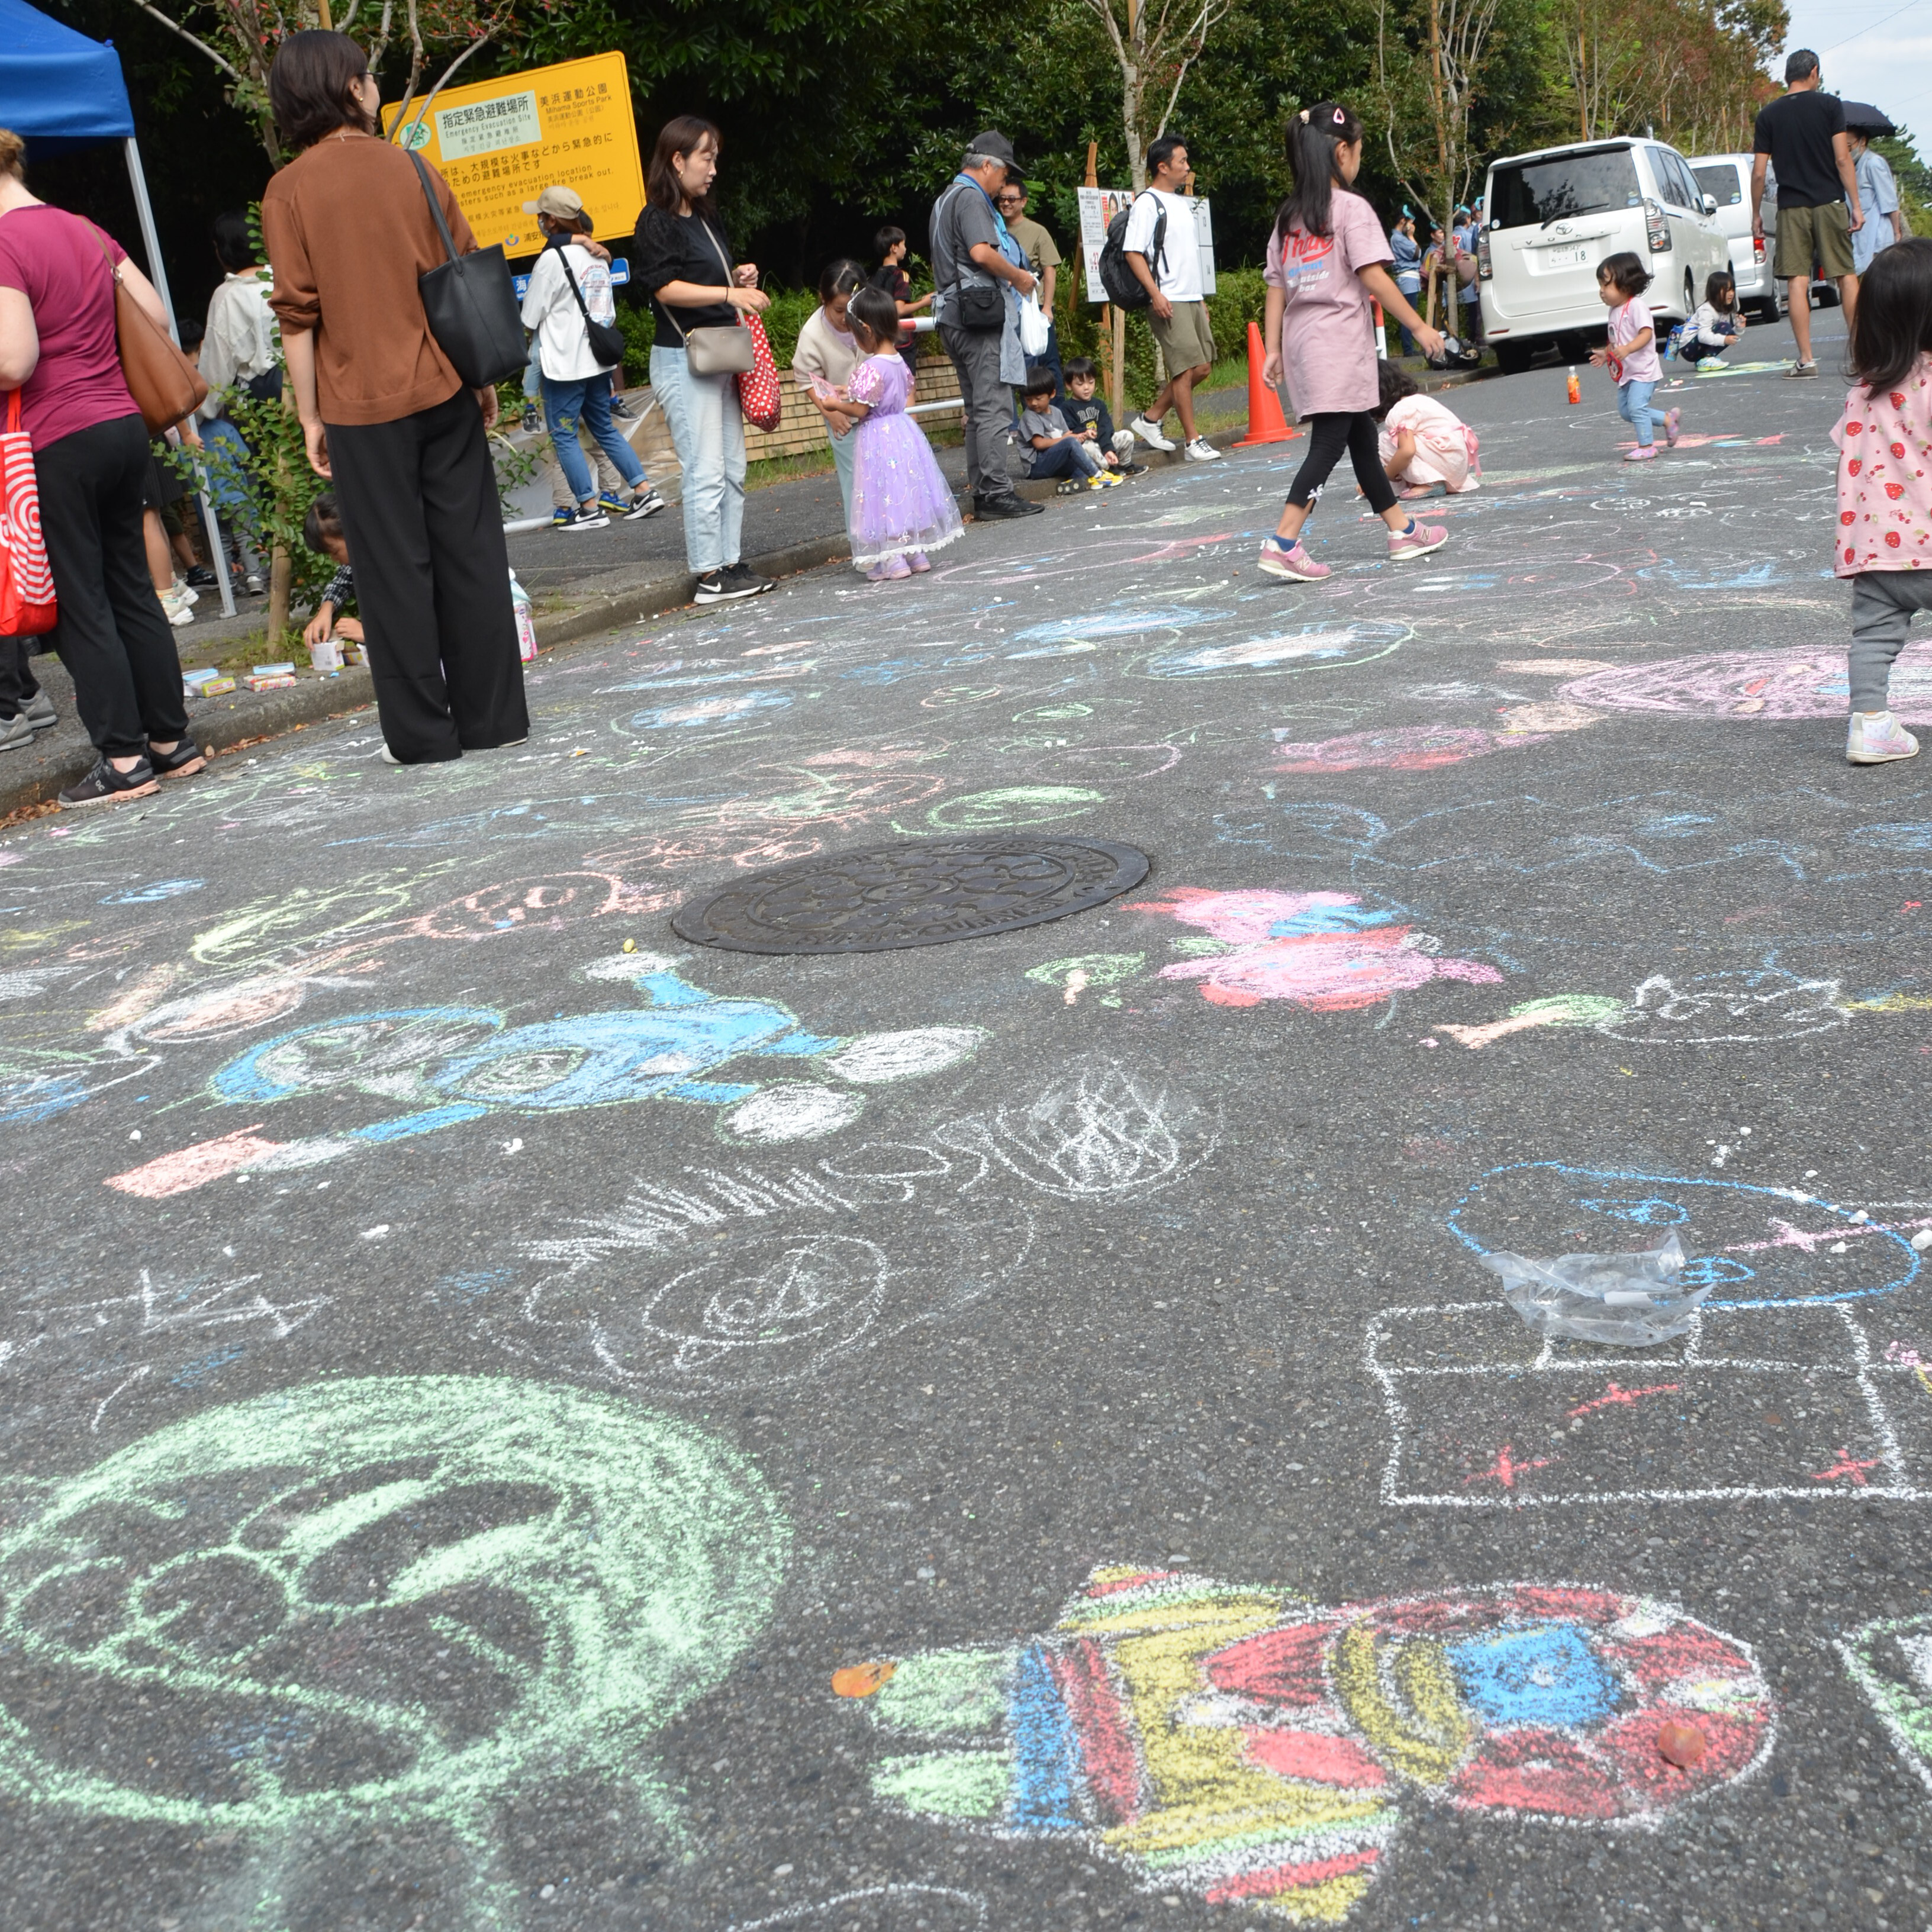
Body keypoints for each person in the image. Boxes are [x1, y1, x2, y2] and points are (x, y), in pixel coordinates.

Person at [263, 31, 527, 765]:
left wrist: (310, 415)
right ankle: (495, 719)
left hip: (358, 408)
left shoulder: (288, 191)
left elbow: (297, 317)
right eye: (367, 77)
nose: (374, 87)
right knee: (470, 552)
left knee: (390, 568)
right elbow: (461, 276)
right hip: (442, 385)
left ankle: (421, 735)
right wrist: (479, 380)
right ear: (349, 88)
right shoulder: (412, 167)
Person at [0, 126, 201, 804]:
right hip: (121, 425)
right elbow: (155, 315)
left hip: (55, 438)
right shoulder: (83, 228)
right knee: (132, 588)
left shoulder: (2, 243)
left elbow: (14, 359)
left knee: (82, 602)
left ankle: (122, 759)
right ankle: (171, 743)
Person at [1255, 102, 1447, 583]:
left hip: (1305, 344)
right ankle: (1284, 541)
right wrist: (1420, 327)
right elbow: (1373, 277)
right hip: (1338, 344)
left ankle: (1402, 530)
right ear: (1342, 152)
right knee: (1327, 445)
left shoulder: (1289, 217)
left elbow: (1276, 286)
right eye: (1359, 150)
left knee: (1361, 434)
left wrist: (1274, 348)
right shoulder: (1351, 209)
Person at [635, 114, 777, 601]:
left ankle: (730, 563)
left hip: (719, 356)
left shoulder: (706, 216)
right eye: (706, 158)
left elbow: (705, 282)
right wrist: (730, 293)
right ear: (677, 160)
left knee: (733, 468)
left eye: (715, 159)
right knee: (705, 470)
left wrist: (737, 280)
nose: (714, 169)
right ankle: (708, 574)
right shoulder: (655, 220)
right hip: (683, 358)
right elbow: (665, 288)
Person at [1831, 237, 1932, 763]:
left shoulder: (1863, 394)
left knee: (1872, 639)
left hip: (1877, 551)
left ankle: (1870, 725)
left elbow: (1849, 447)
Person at [519, 182, 664, 534]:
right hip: (598, 362)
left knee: (564, 435)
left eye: (542, 216)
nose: (539, 221)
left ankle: (588, 507)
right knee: (604, 428)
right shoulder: (598, 257)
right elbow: (607, 313)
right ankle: (644, 491)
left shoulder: (551, 260)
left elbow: (530, 317)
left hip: (565, 366)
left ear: (552, 220)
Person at [816, 286, 965, 582]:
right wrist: (850, 391)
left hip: (877, 437)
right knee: (904, 489)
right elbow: (888, 392)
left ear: (867, 330)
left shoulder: (869, 368)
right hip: (901, 430)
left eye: (855, 333)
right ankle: (915, 553)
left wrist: (834, 404)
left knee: (882, 493)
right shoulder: (898, 361)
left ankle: (893, 558)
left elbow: (861, 410)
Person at [930, 130, 1042, 520]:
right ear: (988, 166)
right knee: (994, 407)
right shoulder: (971, 198)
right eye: (1004, 175)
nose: (1002, 186)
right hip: (978, 319)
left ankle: (984, 492)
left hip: (952, 316)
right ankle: (995, 492)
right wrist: (1018, 276)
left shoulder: (944, 199)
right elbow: (981, 252)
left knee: (977, 410)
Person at [1751, 49, 1865, 378]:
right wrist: (1856, 205)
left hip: (1792, 207)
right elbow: (1842, 159)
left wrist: (1756, 213)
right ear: (1814, 72)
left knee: (1797, 280)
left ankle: (1806, 360)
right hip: (1830, 201)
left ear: (1788, 75)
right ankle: (1860, 356)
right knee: (1845, 275)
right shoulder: (1830, 105)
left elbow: (1759, 173)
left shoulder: (1768, 115)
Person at [1121, 136, 1218, 461]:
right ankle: (1193, 441)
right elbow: (1133, 252)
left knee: (1202, 367)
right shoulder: (1148, 204)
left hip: (1189, 296)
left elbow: (1185, 256)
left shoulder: (1180, 202)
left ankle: (1150, 419)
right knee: (1183, 369)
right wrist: (1155, 294)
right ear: (1162, 167)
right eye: (1182, 161)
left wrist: (1199, 298)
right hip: (1167, 297)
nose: (1188, 167)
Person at [197, 207, 276, 594]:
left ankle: (281, 565)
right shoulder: (283, 278)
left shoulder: (227, 296)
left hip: (261, 399)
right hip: (304, 385)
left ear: (222, 249)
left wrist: (201, 414)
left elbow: (217, 363)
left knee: (270, 484)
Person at [1589, 253, 1677, 462]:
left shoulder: (1636, 306)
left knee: (1637, 408)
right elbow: (1617, 340)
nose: (1602, 291)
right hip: (1627, 373)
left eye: (1606, 285)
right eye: (1600, 285)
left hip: (1643, 370)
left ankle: (1647, 446)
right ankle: (1668, 419)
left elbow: (1646, 334)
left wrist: (1628, 349)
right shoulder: (1614, 311)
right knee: (1627, 412)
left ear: (1626, 284)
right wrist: (1606, 353)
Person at [794, 259, 867, 516]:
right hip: (843, 418)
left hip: (877, 413)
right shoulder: (813, 334)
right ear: (823, 299)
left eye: (853, 309)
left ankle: (891, 537)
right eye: (839, 310)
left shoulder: (870, 319)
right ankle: (861, 540)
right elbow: (805, 378)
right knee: (856, 484)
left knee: (884, 479)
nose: (847, 318)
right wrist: (830, 413)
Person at [996, 179, 1065, 395]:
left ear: (1024, 202)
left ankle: (1056, 408)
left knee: (1047, 360)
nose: (1006, 203)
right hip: (1009, 308)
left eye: (1012, 199)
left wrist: (1047, 308)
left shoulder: (1038, 231)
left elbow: (1050, 270)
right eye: (1002, 199)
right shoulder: (995, 230)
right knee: (1018, 363)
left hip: (1036, 307)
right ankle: (1029, 410)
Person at [1373, 359, 1479, 497]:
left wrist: (1382, 478)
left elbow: (1407, 451)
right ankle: (1427, 482)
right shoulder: (1418, 400)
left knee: (1385, 441)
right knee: (1402, 443)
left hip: (1446, 463)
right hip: (1458, 469)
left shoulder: (1399, 411)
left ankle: (1431, 484)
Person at [1017, 365, 1122, 491]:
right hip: (1037, 465)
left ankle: (1071, 484)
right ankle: (1098, 476)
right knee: (1071, 443)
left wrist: (1080, 437)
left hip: (1054, 460)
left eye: (1038, 399)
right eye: (1028, 399)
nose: (1033, 403)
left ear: (1052, 394)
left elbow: (1068, 435)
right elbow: (1039, 444)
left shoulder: (1056, 412)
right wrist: (1068, 439)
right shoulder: (1030, 416)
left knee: (1082, 465)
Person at [300, 492, 363, 652]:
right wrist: (326, 609)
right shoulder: (359, 558)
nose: (334, 559)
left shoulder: (390, 562)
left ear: (349, 532)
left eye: (334, 552)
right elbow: (343, 580)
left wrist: (366, 633)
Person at [1058, 356, 1142, 472]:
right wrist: (1085, 433)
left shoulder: (1099, 404)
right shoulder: (1066, 408)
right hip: (1087, 446)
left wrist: (1108, 449)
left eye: (1091, 382)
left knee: (1127, 436)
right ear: (1069, 385)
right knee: (1088, 447)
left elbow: (1106, 427)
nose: (1086, 388)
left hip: (1103, 442)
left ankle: (1124, 464)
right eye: (1080, 384)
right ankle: (1107, 468)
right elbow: (1070, 431)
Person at [871, 227, 929, 379]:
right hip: (903, 342)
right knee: (909, 386)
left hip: (881, 341)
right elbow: (900, 310)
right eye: (903, 244)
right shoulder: (901, 275)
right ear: (894, 248)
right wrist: (925, 302)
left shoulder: (873, 278)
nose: (906, 249)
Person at [1850, 130, 1904, 278]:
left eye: (1849, 146)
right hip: (1861, 239)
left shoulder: (1874, 163)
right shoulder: (1852, 167)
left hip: (1878, 239)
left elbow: (1890, 203)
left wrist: (1897, 234)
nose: (1846, 150)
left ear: (1863, 141)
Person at [1679, 271, 1747, 369]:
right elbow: (1703, 336)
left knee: (1727, 330)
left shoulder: (1723, 309)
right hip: (1688, 348)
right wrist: (1724, 339)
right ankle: (1707, 359)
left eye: (1732, 290)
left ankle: (1705, 359)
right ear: (1715, 292)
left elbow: (1729, 334)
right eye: (1727, 290)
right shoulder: (1707, 310)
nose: (1731, 294)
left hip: (1696, 346)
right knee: (1725, 328)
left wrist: (1739, 328)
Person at [1388, 212, 1422, 355]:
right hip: (1407, 279)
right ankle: (1408, 349)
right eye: (1410, 223)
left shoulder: (1398, 238)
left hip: (1410, 279)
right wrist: (1411, 236)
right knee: (1408, 314)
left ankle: (1409, 347)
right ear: (1403, 221)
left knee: (1410, 312)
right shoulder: (1398, 238)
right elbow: (1417, 253)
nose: (1412, 227)